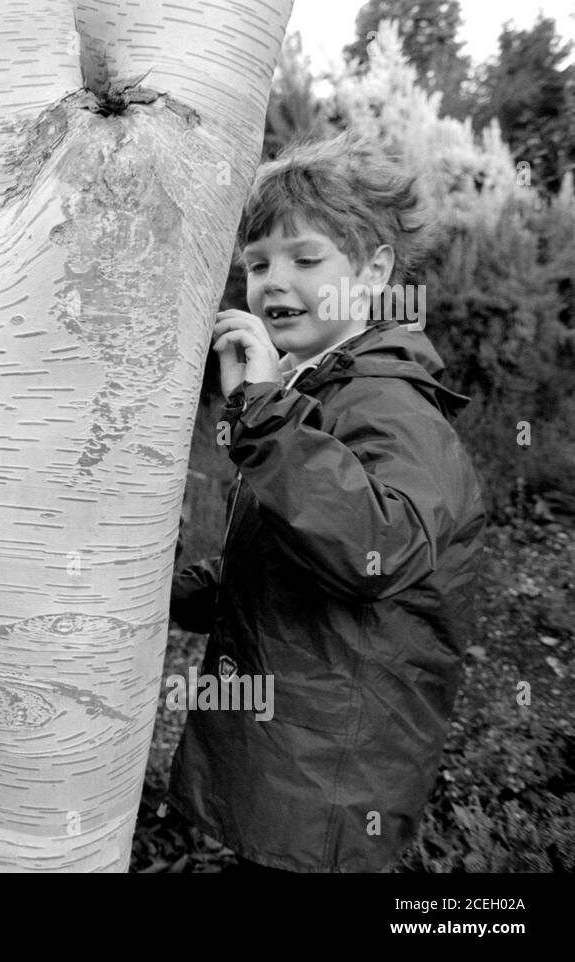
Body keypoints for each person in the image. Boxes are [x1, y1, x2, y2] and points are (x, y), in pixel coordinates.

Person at [167, 132, 487, 872]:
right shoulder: (316, 394)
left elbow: (378, 548)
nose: (274, 281)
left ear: (373, 273)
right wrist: (161, 596)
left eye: (306, 259)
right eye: (256, 264)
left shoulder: (389, 403)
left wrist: (267, 411)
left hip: (332, 783)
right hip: (295, 763)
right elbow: (288, 560)